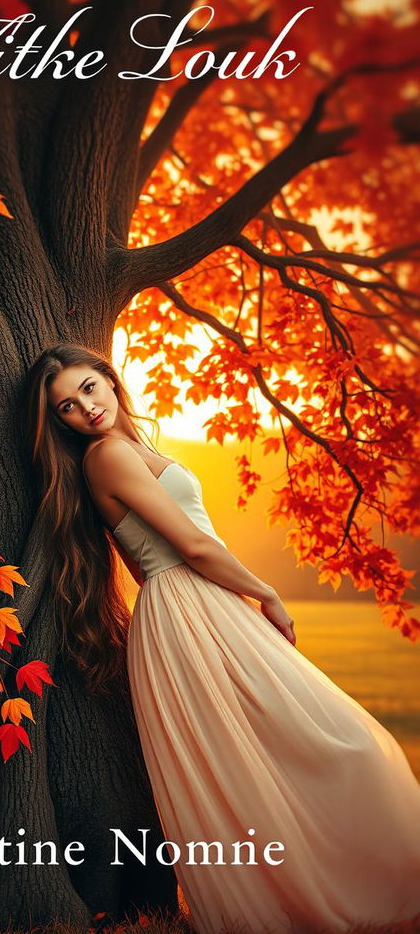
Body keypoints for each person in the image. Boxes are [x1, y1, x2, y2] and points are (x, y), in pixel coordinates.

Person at [24, 342, 420, 934]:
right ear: (59, 423)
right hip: (187, 604)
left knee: (289, 745)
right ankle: (307, 895)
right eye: (65, 409)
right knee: (311, 747)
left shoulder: (133, 447)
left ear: (109, 380)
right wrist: (268, 592)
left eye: (88, 389)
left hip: (203, 602)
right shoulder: (105, 457)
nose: (84, 409)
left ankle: (337, 877)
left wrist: (235, 598)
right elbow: (195, 545)